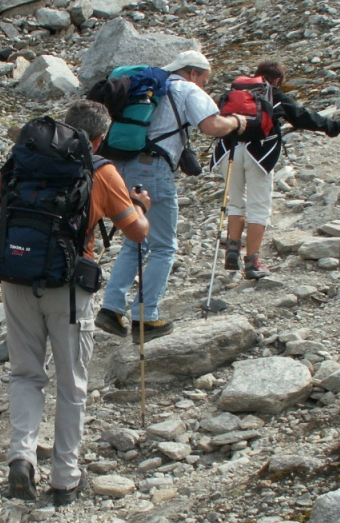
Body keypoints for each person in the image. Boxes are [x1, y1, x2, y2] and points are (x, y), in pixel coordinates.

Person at [0, 100, 150, 505]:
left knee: (25, 373)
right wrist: (140, 206)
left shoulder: (23, 160)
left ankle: (22, 455)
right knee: (71, 382)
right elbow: (137, 233)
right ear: (99, 138)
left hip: (16, 279)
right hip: (68, 287)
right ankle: (65, 478)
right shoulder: (101, 171)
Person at [95, 50, 247, 341]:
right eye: (204, 79)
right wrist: (237, 123)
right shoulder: (187, 89)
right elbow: (211, 126)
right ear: (193, 72)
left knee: (135, 239)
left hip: (121, 166)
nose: (203, 85)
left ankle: (111, 309)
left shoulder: (151, 87)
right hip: (152, 168)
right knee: (164, 246)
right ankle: (146, 317)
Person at [211, 60, 340, 279]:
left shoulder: (234, 93)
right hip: (259, 154)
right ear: (277, 80)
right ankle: (252, 263)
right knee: (258, 207)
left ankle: (233, 248)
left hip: (228, 152)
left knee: (235, 203)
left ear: (256, 74)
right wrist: (337, 126)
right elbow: (303, 116)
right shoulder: (273, 94)